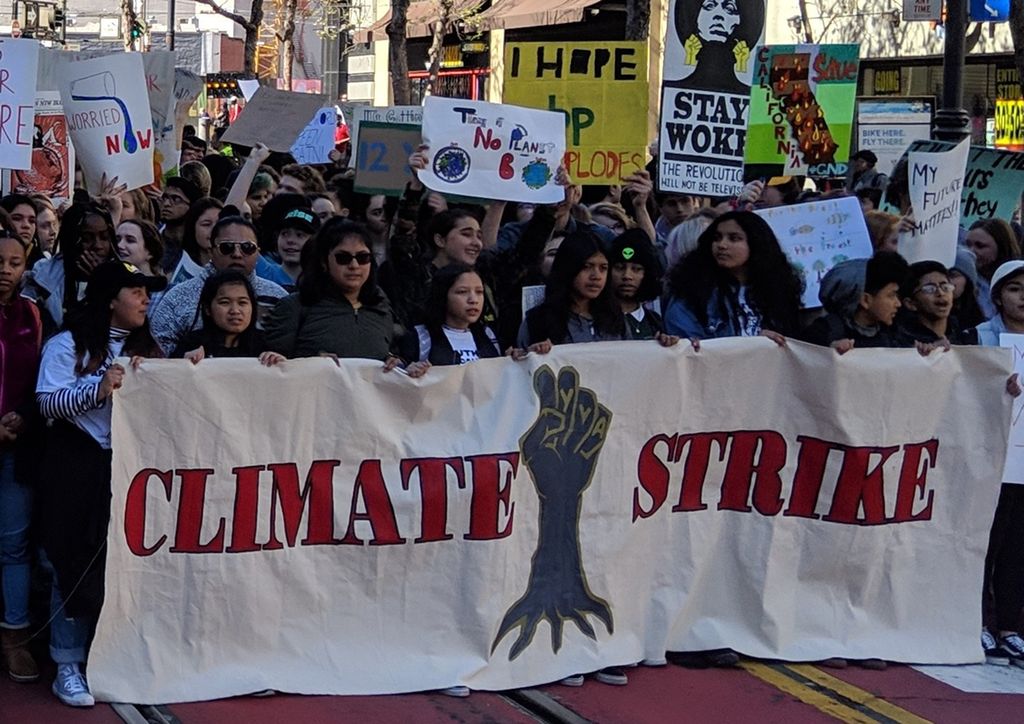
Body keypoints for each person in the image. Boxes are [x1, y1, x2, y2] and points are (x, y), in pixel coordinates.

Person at [35, 260, 164, 707]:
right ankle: (67, 663)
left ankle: (110, 657)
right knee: (71, 560)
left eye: (148, 292)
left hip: (128, 469)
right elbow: (47, 404)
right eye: (136, 291)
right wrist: (98, 388)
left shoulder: (152, 347)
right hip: (75, 468)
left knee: (122, 561)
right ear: (111, 299)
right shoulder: (66, 345)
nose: (146, 299)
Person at [965, 260, 1024, 664]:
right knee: (985, 542)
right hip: (989, 458)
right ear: (999, 294)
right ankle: (977, 622)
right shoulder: (978, 337)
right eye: (1016, 289)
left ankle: (1009, 625)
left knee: (1017, 547)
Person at [0, 232, 42, 684]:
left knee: (14, 545)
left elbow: (40, 378)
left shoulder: (32, 313)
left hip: (17, 446)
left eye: (15, 262)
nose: (6, 269)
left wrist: (22, 418)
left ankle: (15, 635)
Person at [150, 216, 287, 355]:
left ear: (258, 252)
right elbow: (158, 353)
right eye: (227, 247)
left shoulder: (278, 297)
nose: (237, 254)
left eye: (247, 247)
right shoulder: (177, 297)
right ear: (211, 250)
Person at [263, 219, 394, 360]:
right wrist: (311, 361)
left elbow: (391, 354)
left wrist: (398, 363)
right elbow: (273, 367)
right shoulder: (294, 307)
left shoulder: (381, 306)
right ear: (324, 262)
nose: (354, 265)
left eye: (363, 257)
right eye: (343, 258)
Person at [664, 211, 803, 341]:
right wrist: (752, 344)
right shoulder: (691, 293)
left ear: (756, 243)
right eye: (717, 238)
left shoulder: (777, 290)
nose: (722, 245)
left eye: (734, 238)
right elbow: (689, 351)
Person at [22, 202, 117, 335]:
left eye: (104, 237)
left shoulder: (123, 278)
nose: (98, 245)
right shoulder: (42, 277)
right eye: (87, 239)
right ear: (70, 240)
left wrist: (99, 284)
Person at [397, 263, 502, 367]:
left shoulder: (489, 335)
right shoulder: (420, 337)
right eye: (462, 292)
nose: (473, 300)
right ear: (442, 295)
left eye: (479, 292)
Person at [173, 270, 284, 364]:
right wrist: (183, 363)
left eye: (242, 303)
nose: (235, 311)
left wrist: (280, 364)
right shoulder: (191, 344)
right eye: (225, 302)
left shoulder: (266, 346)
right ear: (207, 309)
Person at [802, 253, 908, 350]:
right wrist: (827, 352)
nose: (898, 304)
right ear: (865, 300)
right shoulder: (824, 332)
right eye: (891, 295)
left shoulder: (895, 333)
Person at [665, 0, 764, 94]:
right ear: (694, 14)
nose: (719, 16)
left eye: (729, 9)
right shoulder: (672, 88)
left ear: (740, 20)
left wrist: (742, 65)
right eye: (709, 6)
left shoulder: (749, 95)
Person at [608, 230, 666, 339]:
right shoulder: (595, 319)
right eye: (620, 268)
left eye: (636, 269)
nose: (627, 276)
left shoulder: (654, 322)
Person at [966, 218, 1022, 319]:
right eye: (967, 245)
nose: (971, 251)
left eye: (980, 246)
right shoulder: (963, 284)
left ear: (1001, 247)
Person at [894, 261, 959, 346]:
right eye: (929, 289)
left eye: (945, 287)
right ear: (910, 304)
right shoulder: (902, 343)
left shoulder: (963, 335)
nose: (940, 293)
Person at [168, 197, 225, 285]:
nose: (214, 230)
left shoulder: (234, 264)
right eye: (206, 224)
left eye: (220, 223)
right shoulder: (171, 263)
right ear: (192, 228)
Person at [273, 208, 320, 285]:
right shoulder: (263, 273)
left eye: (299, 235)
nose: (290, 240)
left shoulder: (326, 282)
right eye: (284, 234)